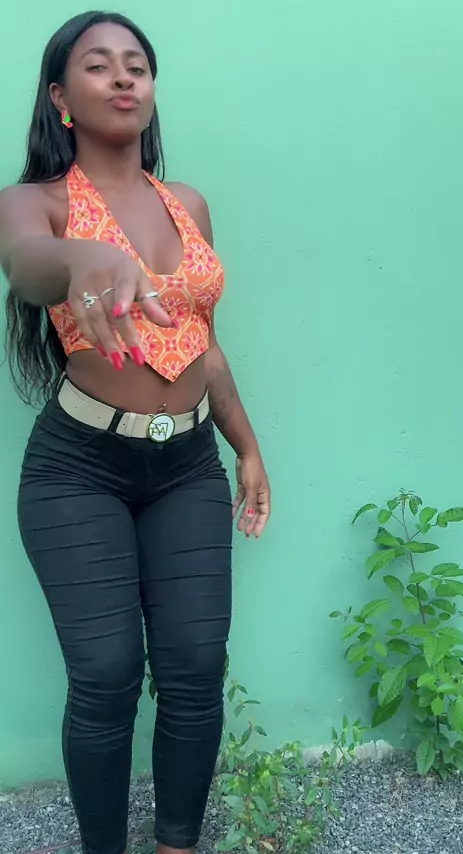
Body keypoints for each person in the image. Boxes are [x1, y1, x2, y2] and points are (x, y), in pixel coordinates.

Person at [0, 11, 270, 854]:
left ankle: (176, 844)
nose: (123, 77)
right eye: (98, 65)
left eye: (137, 66)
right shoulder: (36, 204)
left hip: (187, 464)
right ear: (60, 96)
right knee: (107, 674)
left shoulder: (186, 204)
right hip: (77, 471)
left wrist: (247, 447)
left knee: (194, 669)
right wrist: (84, 258)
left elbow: (204, 344)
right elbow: (26, 264)